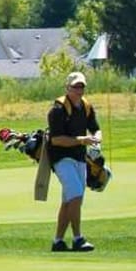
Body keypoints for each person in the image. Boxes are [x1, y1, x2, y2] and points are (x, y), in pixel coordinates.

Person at [47, 71, 101, 253]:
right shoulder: (58, 110)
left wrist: (96, 141)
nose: (79, 90)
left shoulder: (86, 106)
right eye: (75, 87)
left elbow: (95, 129)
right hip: (61, 158)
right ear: (67, 88)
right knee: (76, 194)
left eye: (81, 87)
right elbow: (56, 139)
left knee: (69, 200)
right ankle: (78, 238)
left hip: (79, 157)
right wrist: (82, 140)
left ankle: (58, 241)